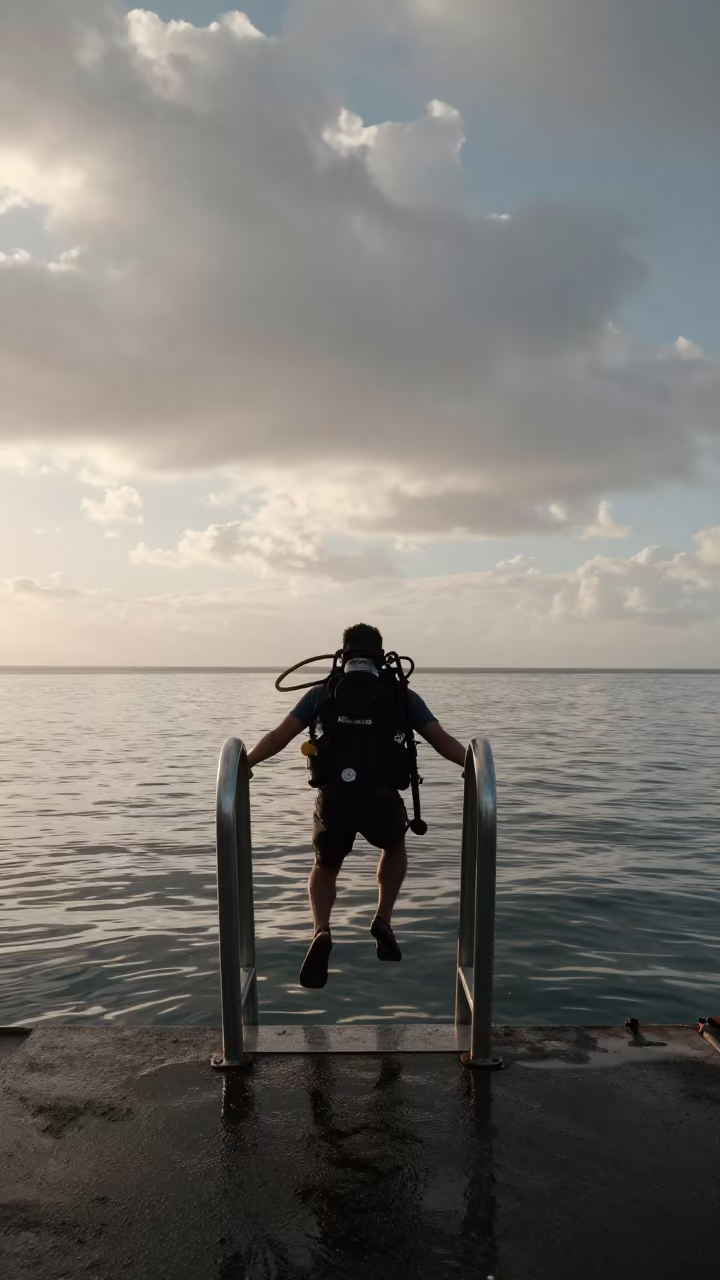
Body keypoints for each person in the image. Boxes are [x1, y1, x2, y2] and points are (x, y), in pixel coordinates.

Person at [247, 623, 466, 989]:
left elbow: (279, 737)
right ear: (380, 655)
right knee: (394, 845)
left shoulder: (323, 693)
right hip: (381, 797)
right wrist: (480, 769)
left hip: (335, 798)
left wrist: (245, 764)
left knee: (324, 865)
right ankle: (382, 918)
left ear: (344, 653)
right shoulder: (400, 695)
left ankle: (321, 930)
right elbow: (442, 740)